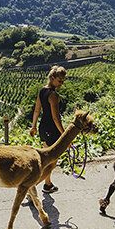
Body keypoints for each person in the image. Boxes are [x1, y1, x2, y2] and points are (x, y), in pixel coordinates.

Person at [29, 65, 67, 194]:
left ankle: (48, 184)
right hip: (52, 130)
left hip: (43, 128)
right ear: (52, 78)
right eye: (59, 80)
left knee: (48, 160)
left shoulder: (42, 90)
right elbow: (56, 118)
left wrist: (33, 126)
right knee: (52, 163)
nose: (61, 83)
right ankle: (31, 187)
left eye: (63, 81)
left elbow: (37, 110)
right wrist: (65, 135)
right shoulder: (53, 95)